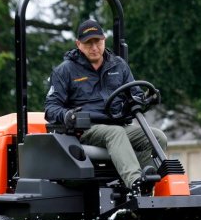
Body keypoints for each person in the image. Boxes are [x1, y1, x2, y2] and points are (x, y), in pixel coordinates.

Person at [44, 18, 169, 192]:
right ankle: (135, 183)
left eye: (98, 42)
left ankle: (148, 184)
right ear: (78, 44)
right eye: (89, 43)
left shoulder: (118, 65)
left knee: (157, 136)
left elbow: (135, 96)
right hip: (87, 129)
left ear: (104, 40)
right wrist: (67, 115)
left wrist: (147, 100)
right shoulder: (65, 71)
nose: (94, 47)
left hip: (118, 123)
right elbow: (51, 108)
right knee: (115, 132)